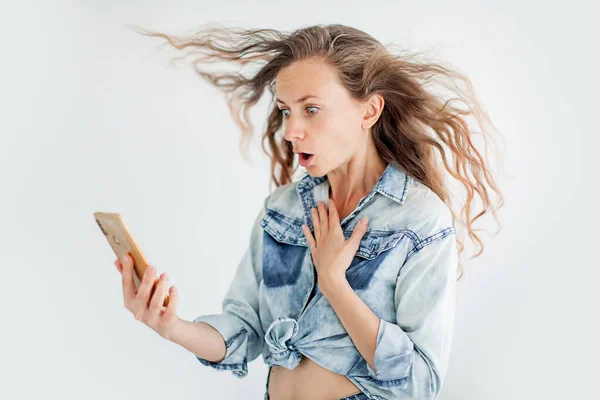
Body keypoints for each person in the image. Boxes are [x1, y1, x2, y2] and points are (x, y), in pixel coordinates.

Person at [115, 24, 504, 400]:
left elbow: (420, 384)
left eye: (312, 109)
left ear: (369, 112)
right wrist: (171, 327)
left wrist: (334, 282)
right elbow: (245, 330)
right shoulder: (281, 210)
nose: (290, 130)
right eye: (285, 111)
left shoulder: (419, 219)